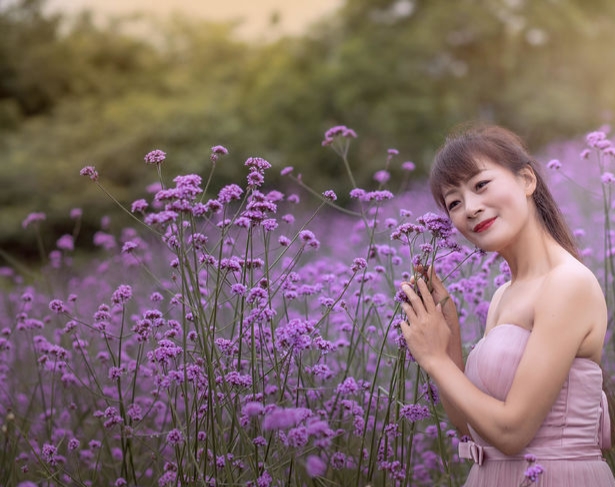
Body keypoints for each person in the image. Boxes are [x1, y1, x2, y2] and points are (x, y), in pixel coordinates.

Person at [398, 124, 615, 486]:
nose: (470, 208)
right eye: (454, 202)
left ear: (527, 180)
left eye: (481, 185)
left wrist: (433, 357)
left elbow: (513, 433)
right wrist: (449, 343)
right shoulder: (503, 295)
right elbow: (471, 426)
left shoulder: (567, 284)